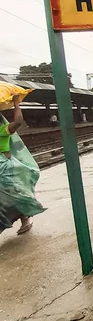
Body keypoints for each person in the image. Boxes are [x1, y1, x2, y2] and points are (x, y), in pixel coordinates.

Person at [0, 95, 45, 235]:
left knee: (15, 196)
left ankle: (25, 218)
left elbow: (18, 121)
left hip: (5, 169)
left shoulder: (2, 130)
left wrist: (16, 104)